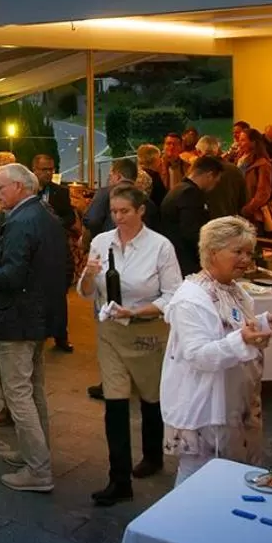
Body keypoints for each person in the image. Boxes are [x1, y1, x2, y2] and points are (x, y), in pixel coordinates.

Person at [79, 186, 183, 505]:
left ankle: (153, 455)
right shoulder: (100, 242)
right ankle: (119, 480)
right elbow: (85, 292)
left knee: (151, 397)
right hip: (110, 330)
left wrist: (136, 311)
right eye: (114, 211)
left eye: (125, 211)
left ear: (141, 212)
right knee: (115, 402)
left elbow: (172, 296)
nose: (118, 217)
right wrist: (88, 274)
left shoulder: (160, 247)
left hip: (147, 330)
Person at [160, 216, 272, 484]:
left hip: (235, 403)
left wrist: (262, 324)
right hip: (206, 408)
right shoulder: (191, 298)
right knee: (197, 480)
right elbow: (198, 355)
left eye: (249, 252)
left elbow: (237, 328)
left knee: (229, 478)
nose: (246, 259)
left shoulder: (236, 290)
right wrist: (244, 340)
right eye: (237, 252)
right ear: (212, 252)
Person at [0, 164, 69, 492]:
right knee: (34, 389)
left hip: (17, 318)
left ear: (19, 186)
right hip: (39, 315)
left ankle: (38, 470)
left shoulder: (20, 222)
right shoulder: (45, 215)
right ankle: (36, 453)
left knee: (18, 394)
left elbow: (10, 277)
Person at [30, 153, 78, 352]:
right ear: (34, 170)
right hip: (33, 250)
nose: (48, 173)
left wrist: (55, 224)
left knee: (58, 294)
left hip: (56, 249)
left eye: (51, 169)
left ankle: (60, 336)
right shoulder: (26, 192)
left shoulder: (60, 192)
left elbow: (69, 217)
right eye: (44, 169)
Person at [162, 155, 223, 276]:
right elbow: (192, 232)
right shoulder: (190, 193)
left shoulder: (178, 188)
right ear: (209, 175)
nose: (215, 186)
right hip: (186, 261)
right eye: (216, 181)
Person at [240, 129, 272, 235]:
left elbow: (263, 193)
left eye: (243, 140)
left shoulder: (263, 164)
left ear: (253, 142)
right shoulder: (240, 160)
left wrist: (247, 209)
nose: (239, 143)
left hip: (254, 215)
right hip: (241, 212)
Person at [83, 158, 139, 238]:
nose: (109, 179)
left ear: (118, 176)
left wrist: (98, 238)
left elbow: (92, 220)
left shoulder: (105, 193)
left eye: (111, 175)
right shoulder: (147, 201)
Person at [196, 135, 248, 220]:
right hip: (232, 220)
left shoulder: (199, 172)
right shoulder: (234, 170)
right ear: (216, 151)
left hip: (208, 223)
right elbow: (244, 199)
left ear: (199, 152)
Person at [136, 143, 168, 224]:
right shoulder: (153, 176)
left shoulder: (135, 173)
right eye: (159, 157)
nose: (161, 161)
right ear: (153, 160)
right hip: (150, 221)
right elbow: (162, 201)